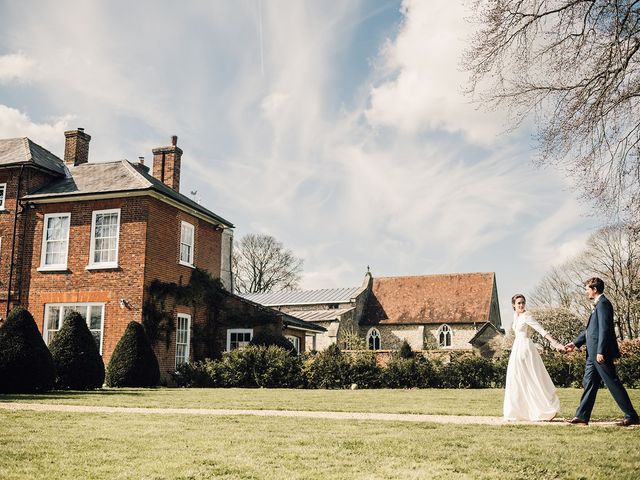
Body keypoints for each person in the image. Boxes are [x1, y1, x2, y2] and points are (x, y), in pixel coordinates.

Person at [565, 277, 639, 427]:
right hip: (592, 355)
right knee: (590, 383)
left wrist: (601, 351)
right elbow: (590, 331)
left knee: (612, 382)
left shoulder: (604, 304)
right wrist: (575, 343)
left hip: (599, 354)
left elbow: (605, 330)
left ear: (594, 289)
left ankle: (631, 416)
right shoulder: (598, 305)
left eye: (587, 289)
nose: (586, 292)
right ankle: (581, 416)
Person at [504, 294, 564, 421]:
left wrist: (555, 342)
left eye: (523, 302)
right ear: (513, 305)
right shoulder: (516, 316)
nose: (521, 305)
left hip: (526, 348)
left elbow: (540, 330)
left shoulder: (527, 316)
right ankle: (519, 412)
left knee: (532, 377)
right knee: (516, 378)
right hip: (516, 348)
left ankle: (545, 409)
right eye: (519, 303)